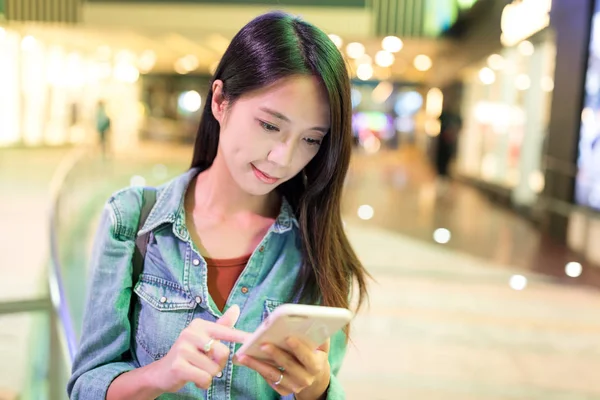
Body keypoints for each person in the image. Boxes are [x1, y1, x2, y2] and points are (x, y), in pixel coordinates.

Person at [67, 11, 369, 400]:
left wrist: (319, 390)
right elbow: (85, 387)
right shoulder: (133, 222)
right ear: (220, 101)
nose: (283, 157)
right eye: (270, 126)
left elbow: (326, 380)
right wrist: (161, 374)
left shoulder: (317, 249)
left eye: (311, 139)